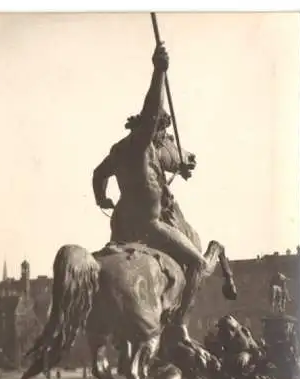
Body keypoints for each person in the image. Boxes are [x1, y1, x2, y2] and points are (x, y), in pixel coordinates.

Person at [92, 43, 216, 276]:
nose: (162, 137)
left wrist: (102, 198)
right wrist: (159, 71)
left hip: (120, 226)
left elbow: (98, 174)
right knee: (199, 263)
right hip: (149, 225)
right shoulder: (143, 142)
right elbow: (152, 110)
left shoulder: (119, 149)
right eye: (161, 132)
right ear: (153, 129)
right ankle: (179, 314)